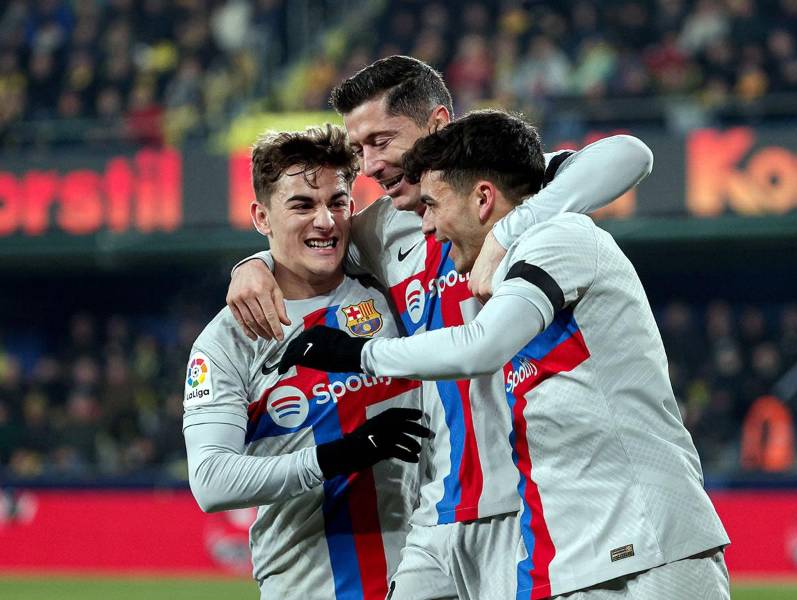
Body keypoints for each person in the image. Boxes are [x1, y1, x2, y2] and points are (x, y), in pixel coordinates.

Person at [227, 56, 654, 599]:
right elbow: (307, 240)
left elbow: (629, 154)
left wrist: (512, 229)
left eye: (382, 140)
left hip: (525, 502)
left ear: (436, 123)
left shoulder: (503, 193)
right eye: (360, 149)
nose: (370, 165)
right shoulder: (378, 231)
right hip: (438, 509)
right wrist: (251, 266)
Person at [280, 110, 731, 600]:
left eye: (433, 205)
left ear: (483, 198)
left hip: (650, 546)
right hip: (570, 555)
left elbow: (482, 345)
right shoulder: (516, 263)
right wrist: (258, 265)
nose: (427, 226)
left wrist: (359, 353)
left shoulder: (560, 239)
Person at [182, 124, 430, 600]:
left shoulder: (388, 282)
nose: (325, 221)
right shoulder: (226, 340)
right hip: (307, 585)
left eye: (337, 202)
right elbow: (212, 482)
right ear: (261, 217)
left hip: (428, 574)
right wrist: (343, 455)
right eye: (301, 205)